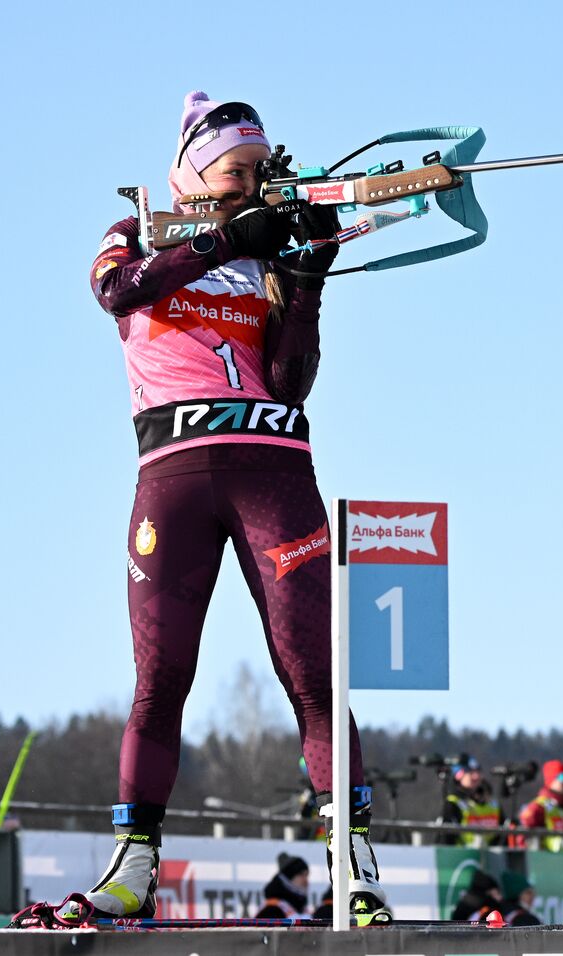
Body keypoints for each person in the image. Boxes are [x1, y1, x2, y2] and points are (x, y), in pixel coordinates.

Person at [74, 91, 388, 925]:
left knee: (315, 673)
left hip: (274, 467)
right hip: (173, 473)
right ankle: (134, 862)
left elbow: (287, 380)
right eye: (233, 170)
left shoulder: (268, 249)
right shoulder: (140, 228)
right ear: (192, 171)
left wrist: (307, 274)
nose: (249, 183)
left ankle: (353, 869)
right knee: (161, 678)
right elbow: (116, 290)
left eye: (258, 171)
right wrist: (221, 240)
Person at [439, 757, 503, 847]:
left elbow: (503, 833)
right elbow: (446, 838)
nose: (476, 776)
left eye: (478, 772)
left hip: (492, 856)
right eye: (470, 772)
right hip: (462, 857)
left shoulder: (493, 803)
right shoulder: (454, 803)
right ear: (459, 775)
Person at [517, 760, 563, 852]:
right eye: (562, 777)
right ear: (551, 779)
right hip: (546, 859)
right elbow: (524, 837)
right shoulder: (539, 806)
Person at [254, 853, 311, 918]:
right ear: (287, 879)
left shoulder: (301, 908)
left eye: (307, 875)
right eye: (301, 875)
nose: (306, 881)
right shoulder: (271, 910)